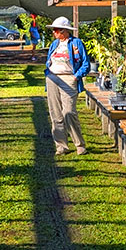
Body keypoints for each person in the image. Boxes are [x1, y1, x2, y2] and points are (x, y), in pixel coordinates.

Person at [44, 16, 88, 156]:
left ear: (65, 31)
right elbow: (49, 60)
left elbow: (85, 64)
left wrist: (76, 76)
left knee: (69, 112)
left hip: (69, 78)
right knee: (55, 113)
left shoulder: (76, 43)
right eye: (54, 30)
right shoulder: (54, 44)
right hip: (53, 78)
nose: (54, 33)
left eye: (57, 30)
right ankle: (61, 146)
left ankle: (79, 144)